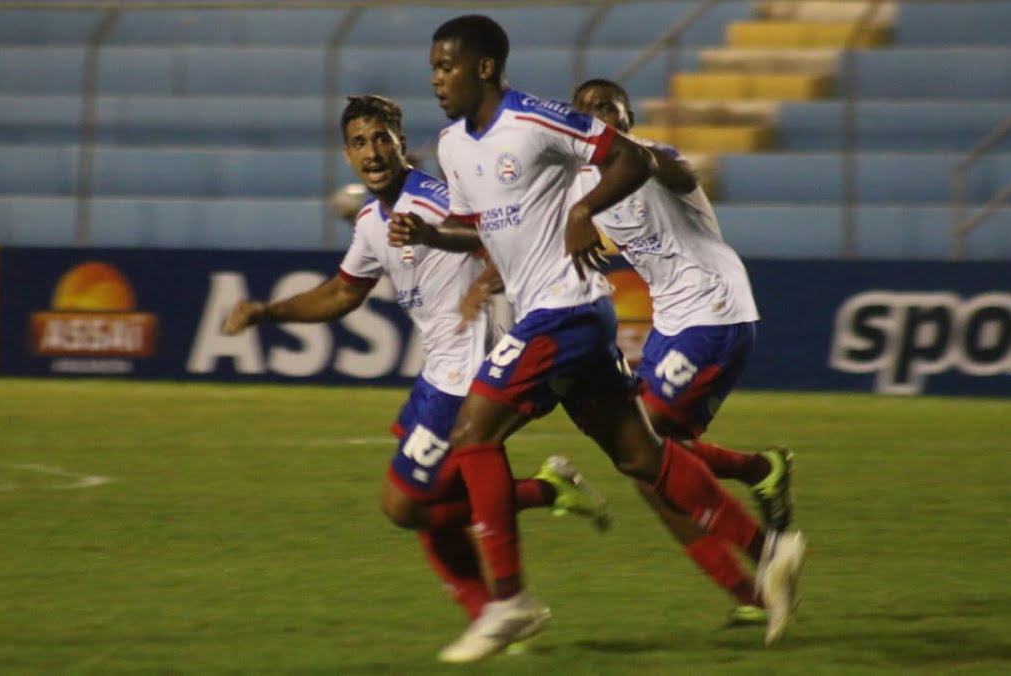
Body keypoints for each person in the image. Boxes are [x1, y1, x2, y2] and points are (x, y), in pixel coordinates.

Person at [389, 15, 806, 661]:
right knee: (643, 457)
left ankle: (510, 600)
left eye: (446, 66)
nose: (436, 78)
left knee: (474, 434)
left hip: (571, 313)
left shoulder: (533, 121)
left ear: (485, 68)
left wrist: (582, 212)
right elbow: (485, 229)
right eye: (433, 67)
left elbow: (635, 157)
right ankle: (767, 550)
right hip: (558, 314)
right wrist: (430, 236)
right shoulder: (451, 147)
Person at [220, 94, 609, 657]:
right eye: (359, 142)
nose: (373, 152)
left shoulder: (433, 199)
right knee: (422, 507)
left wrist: (489, 278)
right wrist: (267, 312)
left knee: (406, 506)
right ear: (346, 153)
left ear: (402, 142)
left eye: (382, 139)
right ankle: (503, 594)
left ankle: (509, 595)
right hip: (439, 375)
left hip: (471, 373)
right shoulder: (372, 219)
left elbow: (502, 230)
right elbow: (341, 293)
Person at [569, 78, 795, 625]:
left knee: (645, 434)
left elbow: (674, 172)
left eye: (608, 108)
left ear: (627, 115)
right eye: (587, 112)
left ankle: (761, 505)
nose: (598, 117)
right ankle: (750, 590)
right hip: (672, 323)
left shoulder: (656, 157)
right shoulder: (581, 188)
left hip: (715, 309)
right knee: (646, 467)